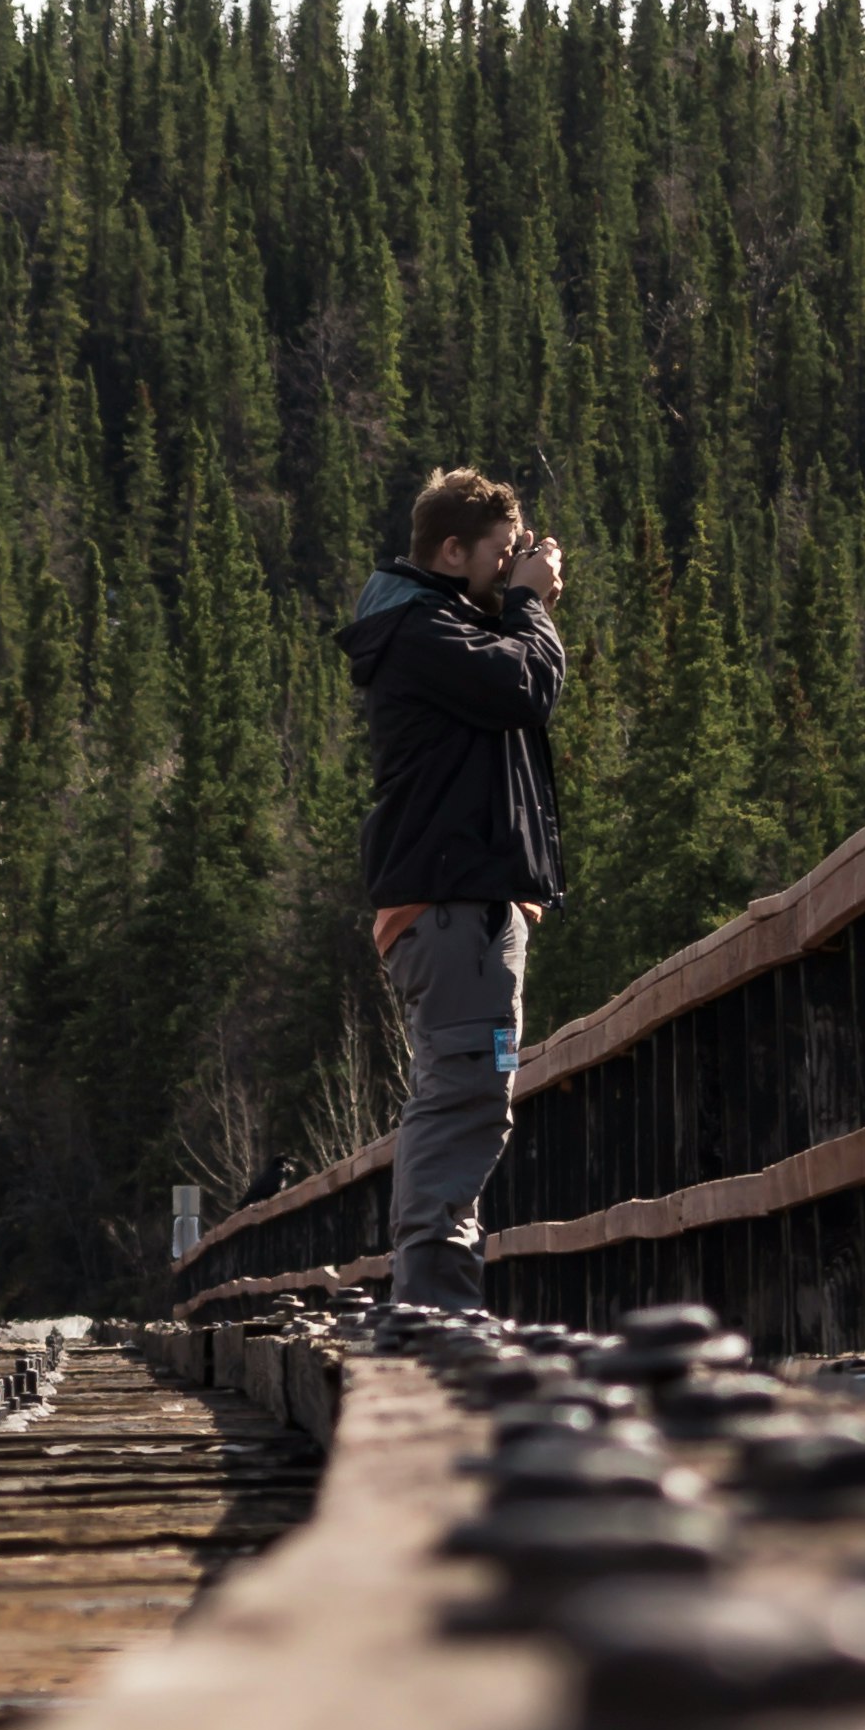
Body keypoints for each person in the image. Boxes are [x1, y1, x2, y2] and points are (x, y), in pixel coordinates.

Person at [339, 467, 567, 1310]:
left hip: (464, 912)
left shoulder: (438, 628)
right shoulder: (426, 634)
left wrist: (516, 607)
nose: (512, 568)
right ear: (451, 550)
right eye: (501, 554)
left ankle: (438, 1298)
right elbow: (528, 686)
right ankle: (436, 1304)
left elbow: (514, 682)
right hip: (455, 912)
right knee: (465, 1093)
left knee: (473, 1093)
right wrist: (532, 605)